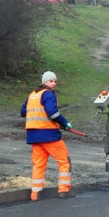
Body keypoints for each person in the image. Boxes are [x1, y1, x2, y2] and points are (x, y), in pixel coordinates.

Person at [20, 71, 74, 201]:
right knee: (64, 161)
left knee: (38, 164)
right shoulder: (48, 94)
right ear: (44, 82)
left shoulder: (33, 94)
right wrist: (64, 123)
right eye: (51, 81)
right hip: (49, 135)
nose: (54, 83)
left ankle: (36, 194)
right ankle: (63, 190)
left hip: (34, 136)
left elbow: (23, 112)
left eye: (55, 81)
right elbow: (52, 113)